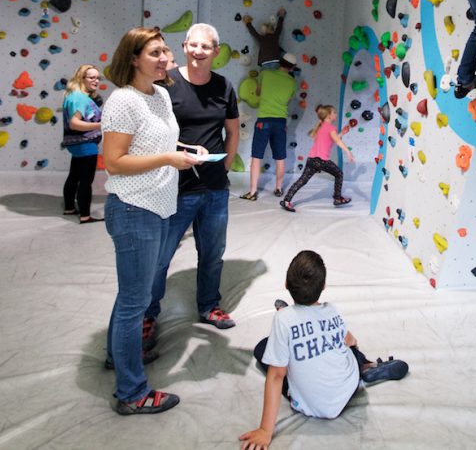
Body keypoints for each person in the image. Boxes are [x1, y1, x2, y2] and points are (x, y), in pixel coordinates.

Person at [100, 27, 202, 415]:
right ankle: (132, 393)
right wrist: (167, 160)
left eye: (165, 50)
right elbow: (115, 162)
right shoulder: (122, 102)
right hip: (133, 208)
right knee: (135, 302)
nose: (165, 58)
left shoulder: (159, 95)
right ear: (133, 59)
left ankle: (117, 356)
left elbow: (156, 142)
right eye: (155, 52)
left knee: (135, 296)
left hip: (160, 206)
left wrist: (185, 150)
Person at [239, 250, 409, 449]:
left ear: (286, 285)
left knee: (263, 349)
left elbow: (277, 375)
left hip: (311, 406)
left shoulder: (282, 321)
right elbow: (350, 340)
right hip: (348, 386)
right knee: (348, 347)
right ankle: (365, 364)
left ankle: (293, 315)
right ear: (324, 287)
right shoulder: (332, 309)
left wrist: (265, 431)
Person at [145, 23, 241, 333]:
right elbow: (153, 134)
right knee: (160, 258)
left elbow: (233, 129)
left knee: (213, 254)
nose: (199, 51)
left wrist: (224, 166)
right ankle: (147, 316)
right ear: (185, 46)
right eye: (194, 45)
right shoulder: (167, 84)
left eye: (206, 46)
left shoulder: (224, 87)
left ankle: (209, 306)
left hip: (214, 188)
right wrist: (180, 152)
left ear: (216, 51)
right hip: (175, 187)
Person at [242, 53, 297, 200]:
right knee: (280, 158)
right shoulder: (292, 82)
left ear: (280, 63)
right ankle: (278, 188)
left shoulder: (265, 74)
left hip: (263, 121)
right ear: (292, 68)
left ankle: (253, 192)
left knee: (256, 156)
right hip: (280, 123)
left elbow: (259, 92)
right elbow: (289, 99)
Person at [280, 105, 354, 212]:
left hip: (311, 160)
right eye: (334, 112)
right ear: (329, 115)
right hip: (321, 161)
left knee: (302, 180)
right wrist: (348, 152)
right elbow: (337, 141)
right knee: (339, 174)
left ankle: (286, 201)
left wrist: (342, 133)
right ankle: (337, 198)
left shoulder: (321, 127)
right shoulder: (330, 128)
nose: (336, 114)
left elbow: (329, 141)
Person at [61, 64, 103, 223]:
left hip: (77, 144)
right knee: (86, 181)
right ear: (81, 78)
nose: (96, 81)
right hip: (85, 144)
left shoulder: (72, 95)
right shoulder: (80, 98)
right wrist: (101, 124)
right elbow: (74, 123)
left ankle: (69, 207)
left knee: (74, 176)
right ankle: (85, 215)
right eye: (92, 77)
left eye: (98, 78)